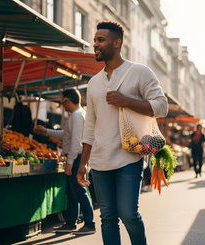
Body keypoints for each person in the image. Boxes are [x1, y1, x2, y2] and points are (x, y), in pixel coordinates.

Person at [76, 21, 168, 245]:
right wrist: (83, 162)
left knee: (128, 214)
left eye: (101, 40)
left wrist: (125, 101)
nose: (95, 45)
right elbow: (90, 125)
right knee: (107, 218)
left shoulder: (139, 72)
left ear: (117, 43)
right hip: (99, 162)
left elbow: (161, 106)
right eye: (95, 40)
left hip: (129, 157)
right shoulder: (93, 83)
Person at [34, 88, 95, 235]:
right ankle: (71, 222)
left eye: (63, 102)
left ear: (67, 100)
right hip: (76, 157)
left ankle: (89, 223)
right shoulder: (77, 115)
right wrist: (46, 131)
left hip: (76, 157)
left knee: (79, 191)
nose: (63, 105)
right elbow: (66, 134)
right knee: (72, 191)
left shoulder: (76, 116)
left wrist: (70, 162)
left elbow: (76, 142)